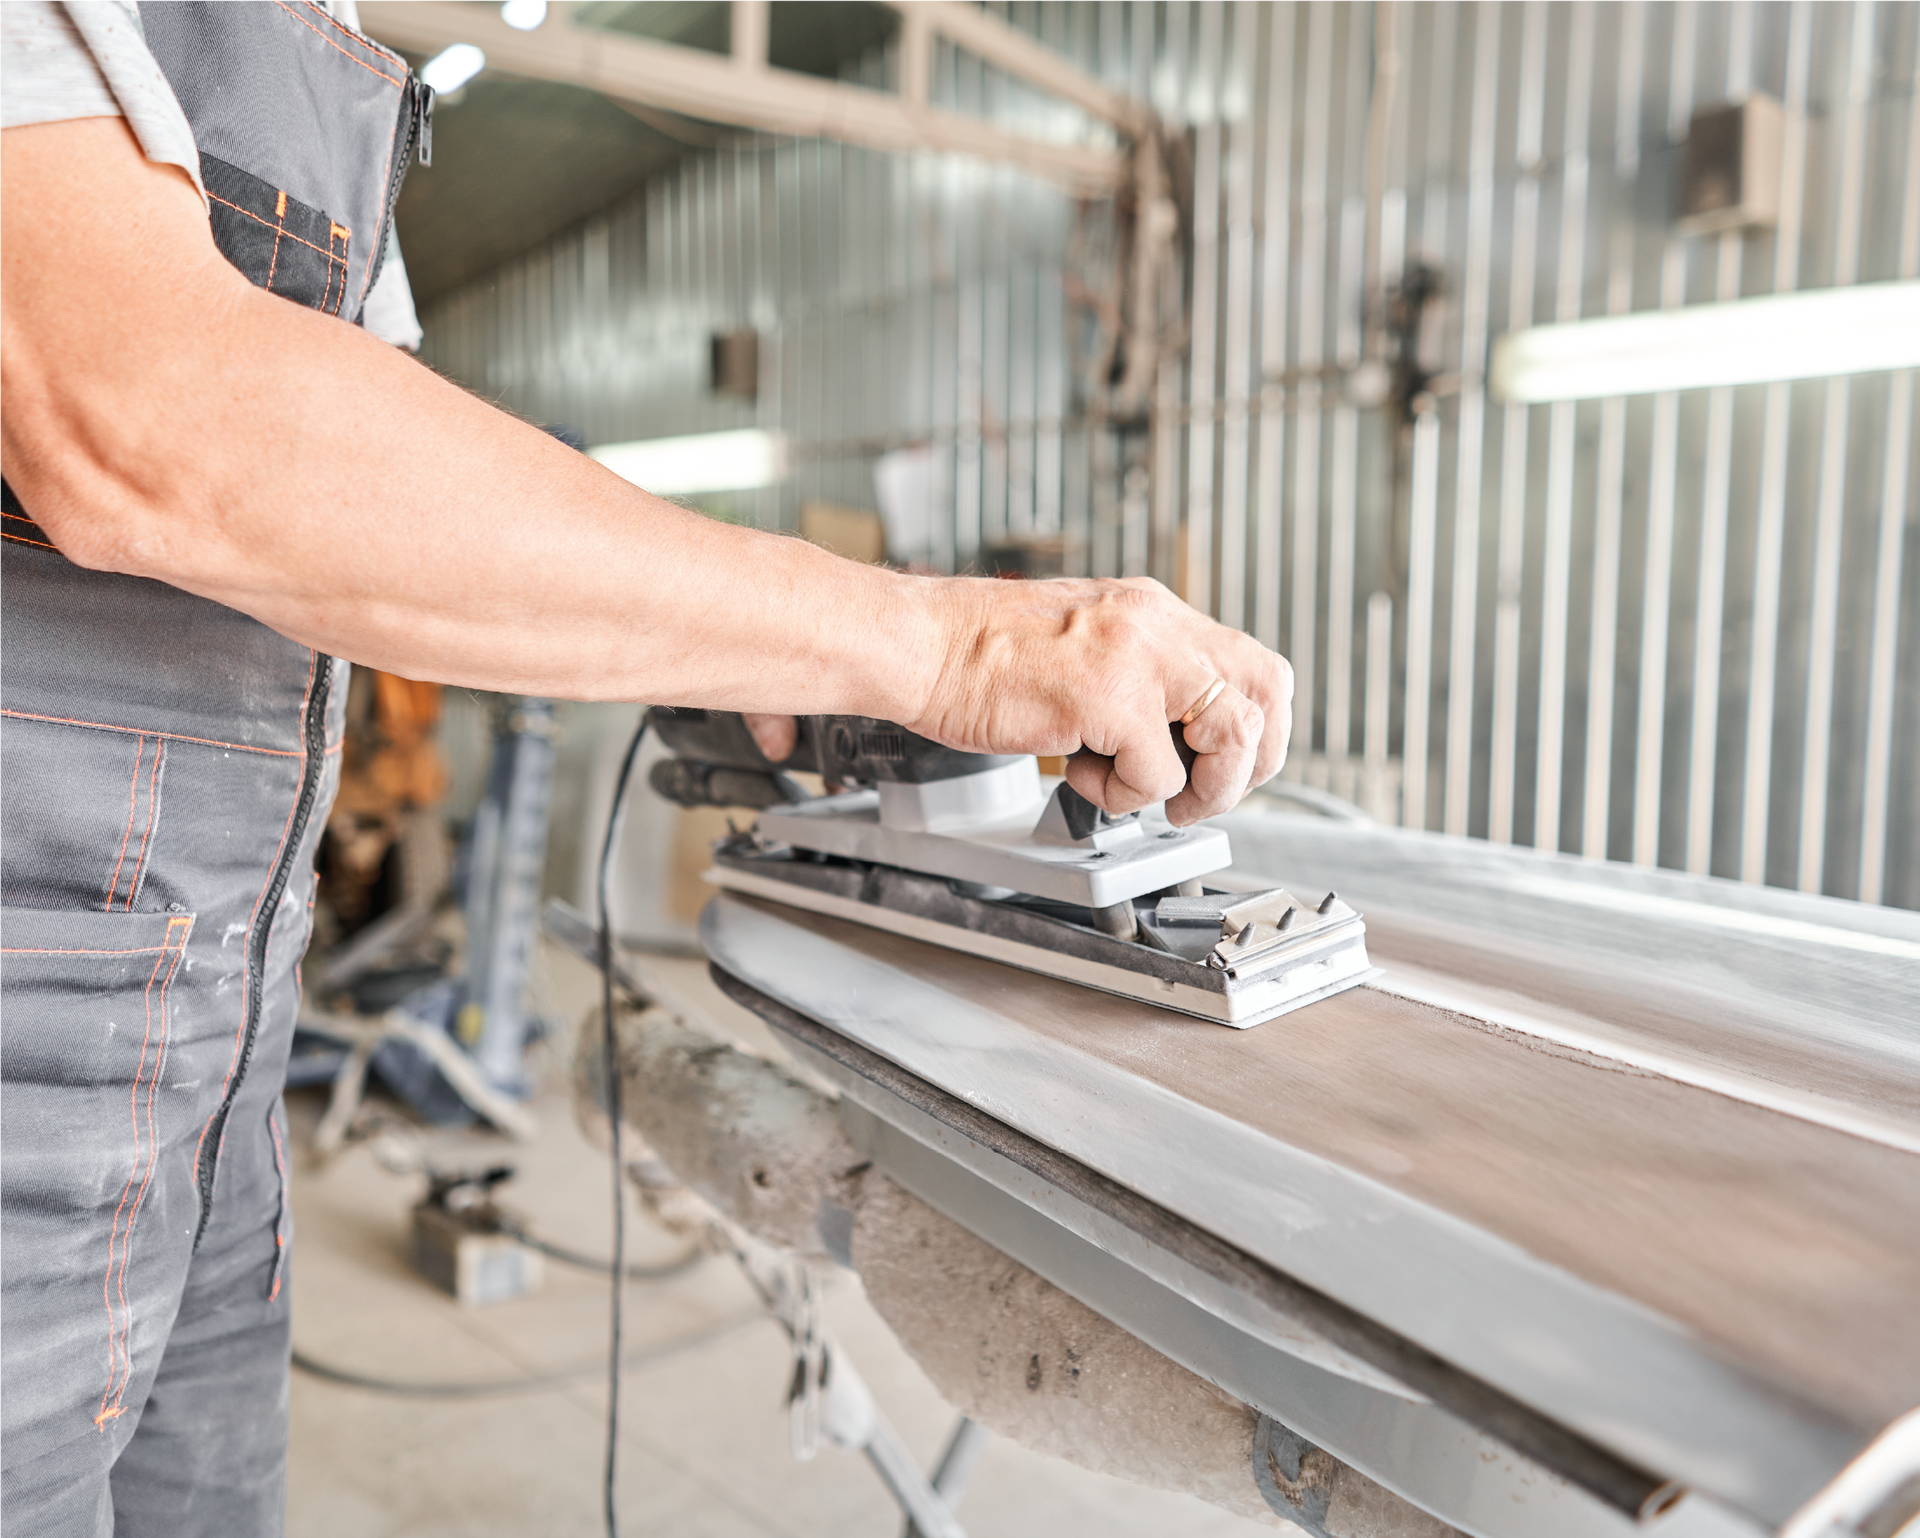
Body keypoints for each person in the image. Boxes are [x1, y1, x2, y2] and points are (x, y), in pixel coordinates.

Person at [0, 0, 1294, 1530]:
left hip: (219, 1084)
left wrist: (771, 657)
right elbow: (145, 418)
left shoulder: (316, 49)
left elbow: (380, 519)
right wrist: (940, 647)